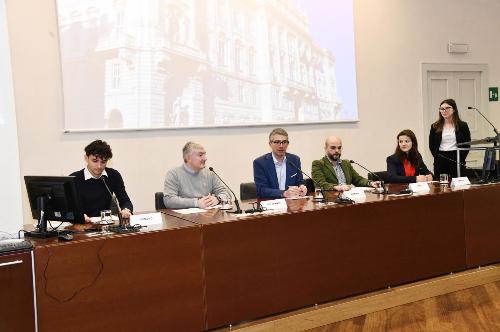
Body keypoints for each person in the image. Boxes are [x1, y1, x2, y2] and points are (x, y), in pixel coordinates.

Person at [70, 140, 133, 223]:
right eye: (95, 161)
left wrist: (126, 209)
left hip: (104, 225)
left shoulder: (113, 175)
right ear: (86, 158)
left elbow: (125, 200)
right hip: (80, 225)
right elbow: (65, 209)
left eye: (103, 162)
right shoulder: (74, 178)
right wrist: (77, 216)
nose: (99, 166)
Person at [163, 142, 231, 208]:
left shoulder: (209, 173)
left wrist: (218, 199)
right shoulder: (174, 174)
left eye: (205, 155)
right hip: (183, 218)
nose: (205, 158)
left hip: (207, 217)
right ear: (188, 158)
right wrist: (196, 203)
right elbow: (169, 201)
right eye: (200, 155)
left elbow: (226, 193)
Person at [253, 128, 307, 198]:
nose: (281, 145)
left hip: (291, 203)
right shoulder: (260, 163)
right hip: (270, 203)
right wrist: (283, 193)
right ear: (270, 144)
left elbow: (299, 182)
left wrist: (301, 188)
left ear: (288, 144)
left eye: (284, 142)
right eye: (277, 142)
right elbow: (261, 190)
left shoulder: (294, 160)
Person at [312, 135, 380, 191]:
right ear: (325, 148)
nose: (337, 150)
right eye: (333, 148)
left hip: (349, 197)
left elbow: (357, 179)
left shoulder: (346, 163)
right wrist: (336, 187)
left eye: (339, 148)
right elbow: (319, 184)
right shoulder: (318, 164)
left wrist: (370, 183)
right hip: (331, 199)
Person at [429, 98, 471, 178]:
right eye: (442, 109)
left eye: (447, 108)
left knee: (458, 185)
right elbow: (432, 145)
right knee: (441, 186)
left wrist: (461, 157)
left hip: (456, 157)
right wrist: (437, 156)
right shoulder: (435, 126)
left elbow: (467, 144)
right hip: (441, 158)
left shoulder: (462, 125)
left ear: (454, 109)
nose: (444, 111)